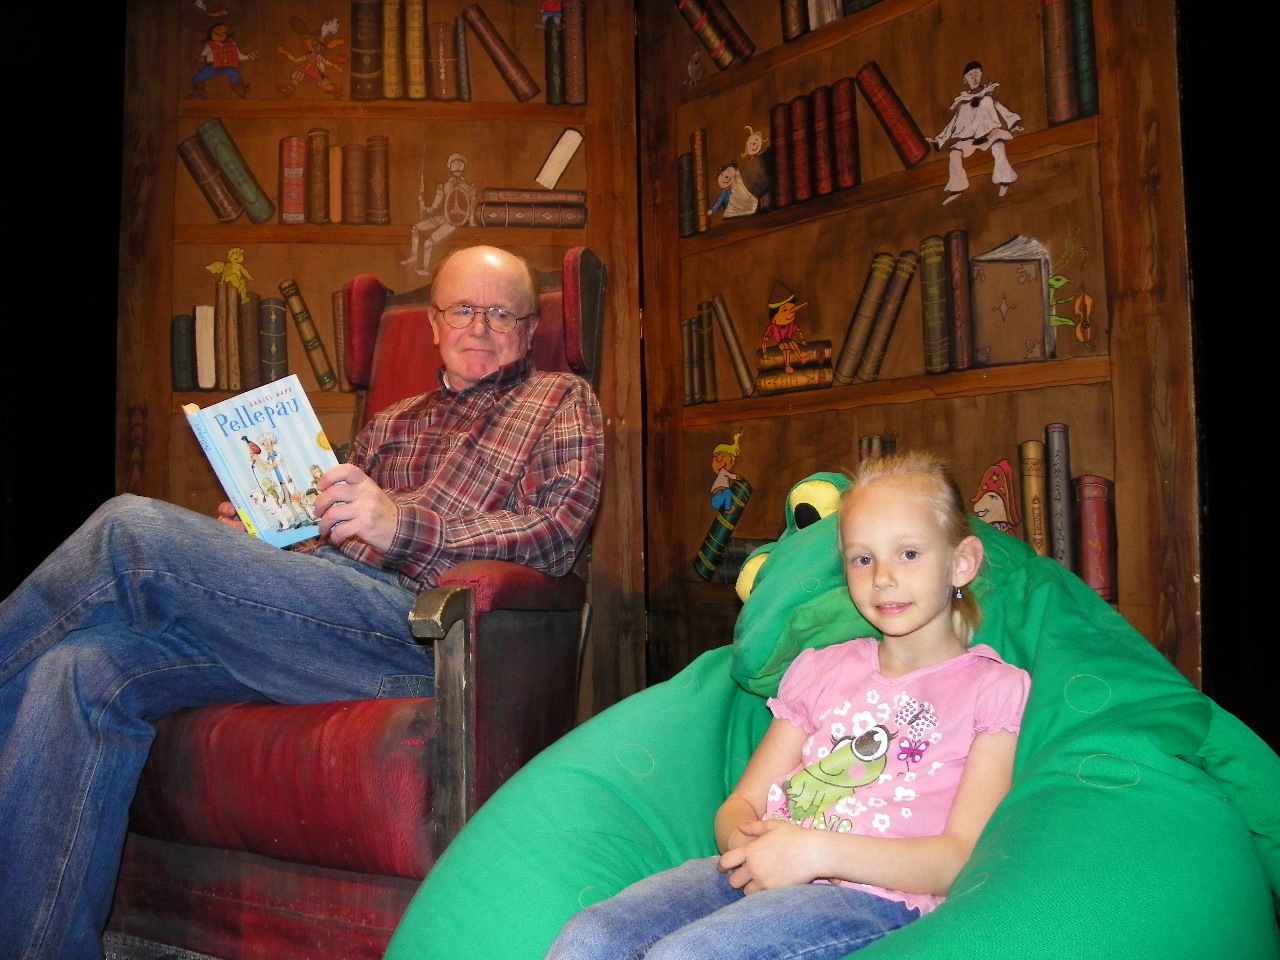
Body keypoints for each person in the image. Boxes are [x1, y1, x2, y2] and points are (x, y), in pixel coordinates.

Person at [0, 245, 605, 960]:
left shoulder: (561, 399)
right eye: (462, 309)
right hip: (322, 620)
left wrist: (401, 526)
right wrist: (263, 541)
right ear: (434, 325)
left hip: (424, 636)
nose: (479, 326)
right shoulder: (392, 423)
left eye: (501, 312)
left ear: (530, 330)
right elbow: (333, 540)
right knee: (80, 666)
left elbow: (555, 536)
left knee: (131, 528)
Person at [545, 451, 1029, 960]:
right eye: (863, 559)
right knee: (591, 935)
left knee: (691, 955)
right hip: (759, 869)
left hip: (875, 899)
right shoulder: (822, 669)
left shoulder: (990, 688)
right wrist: (752, 849)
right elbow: (742, 804)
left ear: (961, 562)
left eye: (908, 553)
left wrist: (815, 853)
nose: (883, 577)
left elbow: (958, 859)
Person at [931, 61, 1024, 204]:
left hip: (989, 134)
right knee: (954, 153)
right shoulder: (963, 101)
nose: (974, 77)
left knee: (998, 146)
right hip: (971, 139)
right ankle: (957, 188)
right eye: (970, 75)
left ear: (981, 74)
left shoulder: (988, 95)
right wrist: (939, 139)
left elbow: (1001, 109)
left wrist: (1014, 123)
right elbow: (953, 123)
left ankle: (1004, 181)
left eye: (976, 73)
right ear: (965, 79)